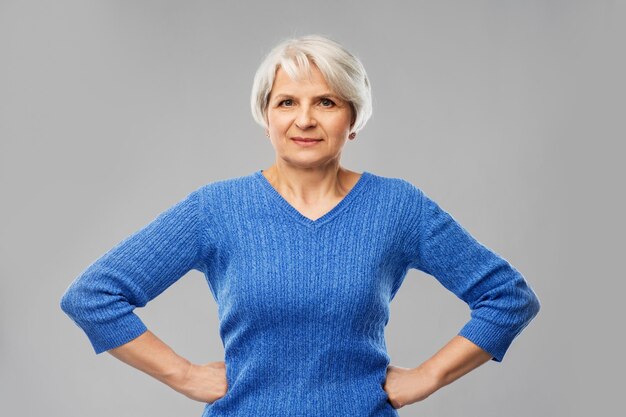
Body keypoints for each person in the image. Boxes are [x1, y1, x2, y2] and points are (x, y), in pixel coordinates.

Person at [60, 34, 541, 416]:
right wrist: (183, 375)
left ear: (353, 117)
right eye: (287, 102)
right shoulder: (217, 208)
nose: (305, 120)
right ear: (265, 116)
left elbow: (507, 297)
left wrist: (428, 377)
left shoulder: (397, 207)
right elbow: (94, 296)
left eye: (327, 102)